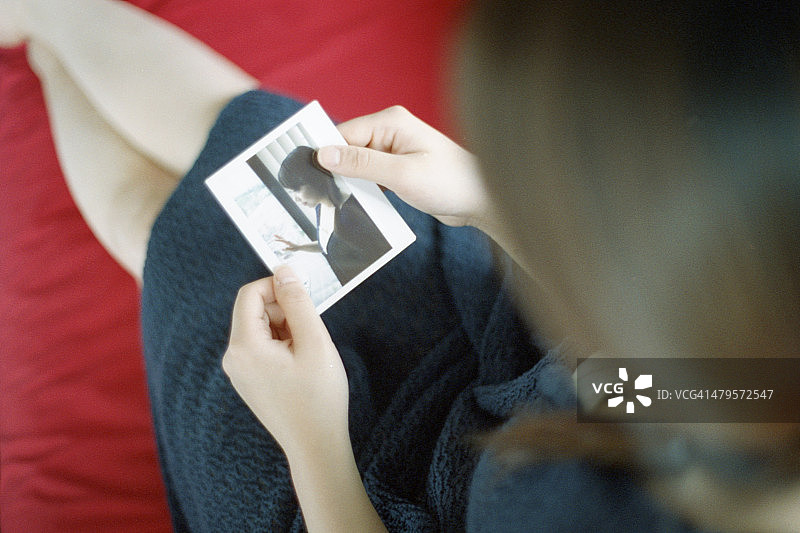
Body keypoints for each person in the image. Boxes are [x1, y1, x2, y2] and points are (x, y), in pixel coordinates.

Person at [5, 1, 799, 532]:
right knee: (263, 141)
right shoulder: (760, 383)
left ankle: (46, 56)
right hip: (507, 353)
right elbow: (635, 380)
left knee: (162, 236)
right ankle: (50, 18)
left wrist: (312, 439)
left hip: (355, 500)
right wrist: (486, 204)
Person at [273, 146, 392, 285]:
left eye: (297, 189)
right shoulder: (320, 208)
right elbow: (330, 245)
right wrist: (298, 247)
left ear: (314, 178)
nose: (296, 198)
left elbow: (379, 256)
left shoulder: (351, 213)